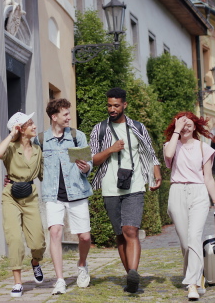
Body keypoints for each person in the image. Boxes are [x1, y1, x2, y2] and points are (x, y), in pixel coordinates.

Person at [89, 87, 162, 293]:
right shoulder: (99, 129)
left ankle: (133, 272)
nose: (112, 109)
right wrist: (111, 149)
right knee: (120, 235)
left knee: (131, 230)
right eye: (109, 105)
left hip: (135, 186)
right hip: (110, 188)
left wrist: (156, 174)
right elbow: (92, 160)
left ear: (124, 105)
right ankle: (131, 277)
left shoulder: (138, 127)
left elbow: (150, 153)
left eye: (116, 105)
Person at [162, 111, 215, 301]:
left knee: (193, 237)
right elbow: (168, 154)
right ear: (177, 125)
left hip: (198, 193)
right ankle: (197, 274)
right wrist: (176, 131)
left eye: (189, 122)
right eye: (182, 122)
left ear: (195, 126)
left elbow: (208, 178)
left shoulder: (203, 148)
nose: (186, 125)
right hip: (177, 193)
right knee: (185, 242)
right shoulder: (171, 145)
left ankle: (192, 284)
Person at [34, 98, 93, 295]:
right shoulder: (41, 140)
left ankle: (82, 265)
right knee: (55, 233)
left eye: (69, 113)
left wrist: (86, 167)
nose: (69, 117)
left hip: (77, 192)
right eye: (65, 114)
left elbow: (89, 164)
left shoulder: (78, 136)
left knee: (84, 236)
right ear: (54, 116)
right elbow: (30, 160)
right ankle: (60, 279)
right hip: (53, 195)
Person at [0, 112, 47, 298]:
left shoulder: (38, 150)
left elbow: (43, 174)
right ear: (21, 129)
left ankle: (35, 262)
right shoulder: (11, 147)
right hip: (11, 195)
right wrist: (11, 135)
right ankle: (17, 282)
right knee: (14, 238)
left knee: (38, 241)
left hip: (30, 195)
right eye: (30, 123)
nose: (34, 126)